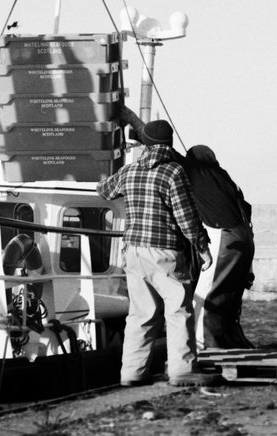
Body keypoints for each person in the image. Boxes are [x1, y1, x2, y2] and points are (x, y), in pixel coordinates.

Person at [97, 118, 221, 388]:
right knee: (177, 311)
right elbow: (186, 218)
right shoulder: (174, 172)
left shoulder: (130, 171)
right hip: (164, 252)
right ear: (169, 143)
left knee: (140, 314)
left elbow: (104, 191)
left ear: (146, 144)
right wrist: (202, 247)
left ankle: (131, 373)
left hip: (133, 251)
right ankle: (182, 370)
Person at [184, 145, 255, 349]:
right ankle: (228, 339)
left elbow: (168, 151)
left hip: (224, 237)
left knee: (209, 290)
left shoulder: (196, 172)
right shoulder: (224, 177)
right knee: (230, 293)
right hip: (244, 237)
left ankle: (202, 343)